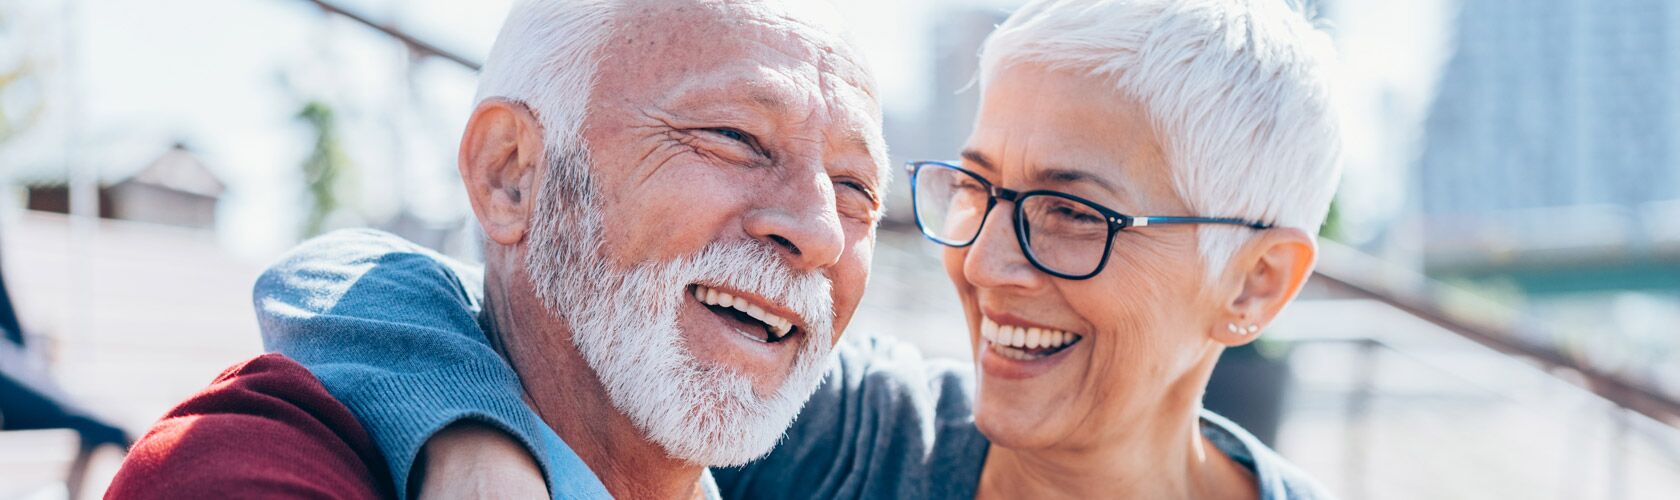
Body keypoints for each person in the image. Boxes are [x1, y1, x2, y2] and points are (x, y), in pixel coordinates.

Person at [106, 0, 889, 498]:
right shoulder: (252, 467)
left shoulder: (819, 460)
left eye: (857, 188)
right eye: (734, 137)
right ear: (510, 175)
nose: (819, 232)